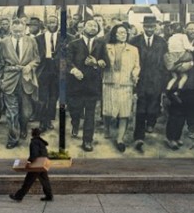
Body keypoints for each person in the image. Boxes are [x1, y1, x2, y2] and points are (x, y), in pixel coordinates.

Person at [0, 19, 40, 149]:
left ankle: (23, 127)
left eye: (20, 31)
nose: (18, 34)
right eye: (15, 31)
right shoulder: (2, 43)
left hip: (26, 80)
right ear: (10, 30)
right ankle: (13, 138)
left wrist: (30, 66)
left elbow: (37, 59)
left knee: (26, 112)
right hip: (9, 80)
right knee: (11, 112)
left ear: (25, 29)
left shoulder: (31, 41)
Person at [164, 22, 194, 149]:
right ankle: (171, 138)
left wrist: (191, 64)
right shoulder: (177, 43)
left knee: (190, 111)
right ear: (185, 29)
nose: (192, 30)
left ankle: (181, 136)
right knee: (176, 112)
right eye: (190, 28)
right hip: (179, 84)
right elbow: (169, 60)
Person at [129, 16, 168, 153]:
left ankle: (151, 122)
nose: (150, 29)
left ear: (156, 27)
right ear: (143, 26)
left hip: (156, 79)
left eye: (152, 26)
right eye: (147, 26)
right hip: (140, 78)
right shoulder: (134, 41)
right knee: (140, 106)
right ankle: (139, 137)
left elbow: (165, 62)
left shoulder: (162, 42)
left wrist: (164, 82)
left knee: (154, 104)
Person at [66, 19, 106, 152]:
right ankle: (75, 123)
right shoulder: (73, 44)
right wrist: (73, 70)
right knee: (75, 109)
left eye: (95, 25)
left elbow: (106, 62)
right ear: (83, 28)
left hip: (92, 85)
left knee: (90, 114)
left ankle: (87, 140)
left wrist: (97, 62)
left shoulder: (101, 44)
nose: (93, 27)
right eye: (90, 25)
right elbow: (66, 61)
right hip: (75, 84)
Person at [102, 24, 140, 153]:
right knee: (108, 110)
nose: (123, 35)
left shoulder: (133, 49)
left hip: (126, 83)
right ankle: (107, 128)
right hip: (109, 81)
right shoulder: (106, 47)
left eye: (125, 33)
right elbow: (101, 61)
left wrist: (135, 74)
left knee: (124, 112)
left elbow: (137, 66)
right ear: (114, 34)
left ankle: (120, 140)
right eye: (120, 32)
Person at [35, 15, 67, 132]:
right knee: (43, 96)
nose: (52, 24)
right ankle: (42, 122)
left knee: (54, 97)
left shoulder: (64, 37)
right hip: (44, 67)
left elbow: (66, 55)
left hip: (57, 69)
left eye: (54, 22)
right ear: (46, 24)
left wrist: (63, 71)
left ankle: (49, 120)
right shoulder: (39, 38)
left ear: (58, 24)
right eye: (50, 22)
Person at [9, 127, 53, 202]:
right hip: (42, 164)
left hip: (36, 165)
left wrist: (29, 162)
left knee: (28, 181)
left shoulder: (34, 142)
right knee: (45, 180)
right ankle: (49, 196)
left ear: (33, 134)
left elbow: (34, 154)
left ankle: (18, 196)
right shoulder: (41, 142)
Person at [164, 22, 194, 103]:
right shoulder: (183, 36)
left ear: (172, 30)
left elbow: (169, 48)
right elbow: (187, 46)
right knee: (184, 76)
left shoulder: (170, 38)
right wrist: (193, 48)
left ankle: (167, 91)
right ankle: (177, 92)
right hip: (182, 56)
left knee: (174, 77)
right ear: (183, 29)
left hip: (171, 58)